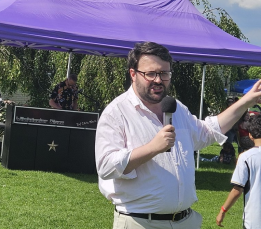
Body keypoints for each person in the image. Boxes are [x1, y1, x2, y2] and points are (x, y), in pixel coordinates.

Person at [95, 41, 261, 229]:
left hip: (185, 221)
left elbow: (207, 132)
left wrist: (247, 101)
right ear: (133, 74)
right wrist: (152, 148)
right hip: (140, 222)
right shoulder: (116, 113)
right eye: (150, 73)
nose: (158, 80)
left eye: (164, 73)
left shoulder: (175, 108)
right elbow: (106, 166)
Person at [216, 114, 261, 228]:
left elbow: (237, 189)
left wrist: (222, 211)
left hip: (255, 219)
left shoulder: (246, 157)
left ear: (250, 135)